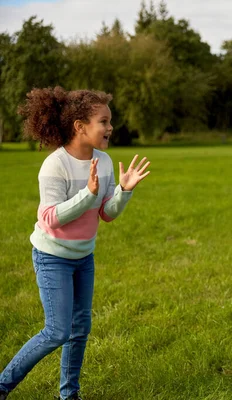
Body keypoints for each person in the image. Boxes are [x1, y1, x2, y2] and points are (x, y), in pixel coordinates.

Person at [0, 87, 151, 400]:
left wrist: (123, 191)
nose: (110, 127)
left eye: (110, 121)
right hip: (52, 256)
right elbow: (52, 217)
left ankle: (69, 395)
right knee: (57, 331)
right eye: (103, 121)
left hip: (84, 256)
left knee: (80, 328)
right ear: (80, 126)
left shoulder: (105, 162)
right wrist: (89, 194)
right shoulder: (55, 165)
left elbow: (107, 214)